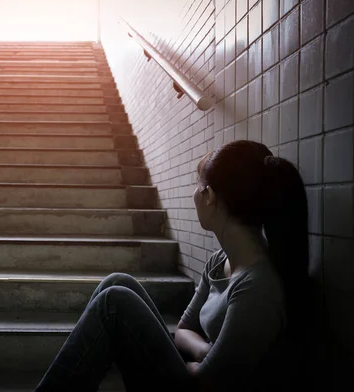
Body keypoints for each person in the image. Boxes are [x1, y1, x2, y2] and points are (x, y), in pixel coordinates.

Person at [34, 140, 311, 392]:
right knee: (118, 282)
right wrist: (205, 353)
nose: (193, 193)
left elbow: (207, 382)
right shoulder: (220, 260)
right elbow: (183, 329)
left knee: (114, 302)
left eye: (197, 184)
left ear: (209, 196)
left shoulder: (256, 286)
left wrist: (200, 363)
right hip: (192, 372)